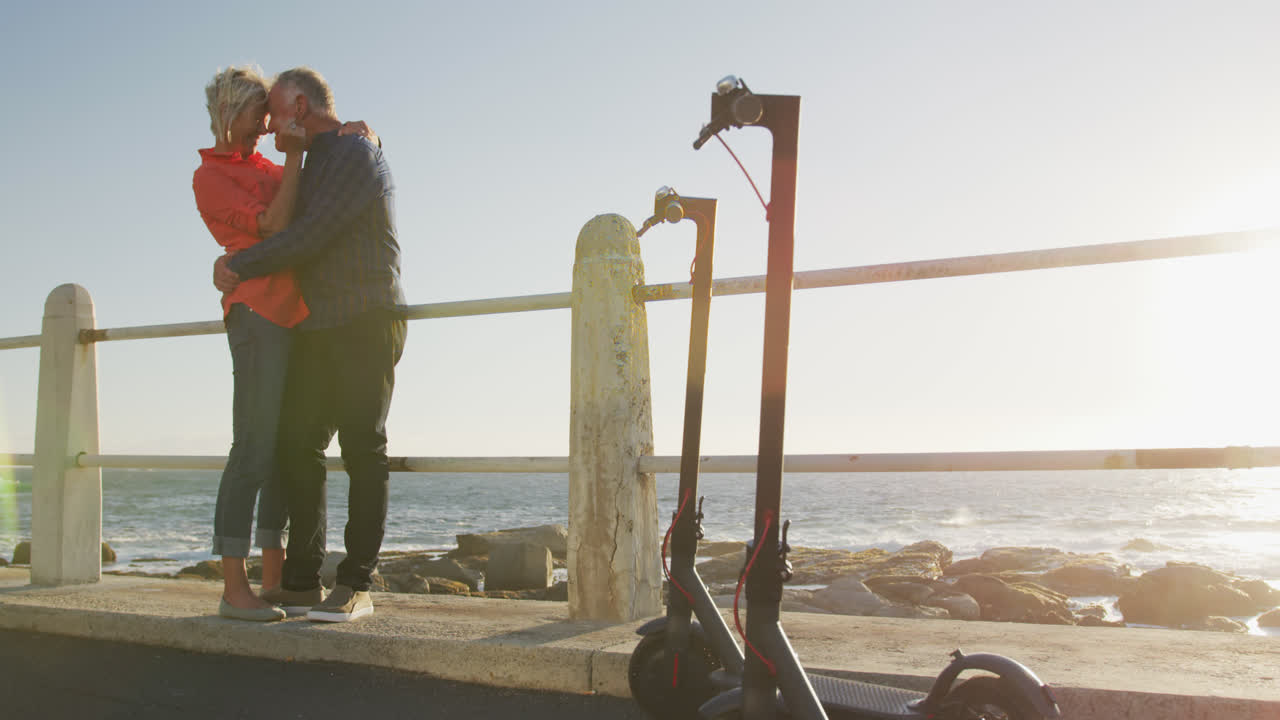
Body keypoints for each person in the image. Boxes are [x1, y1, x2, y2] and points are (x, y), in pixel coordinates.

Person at [214, 66, 407, 623]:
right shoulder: (314, 157)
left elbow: (309, 235)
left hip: (367, 318)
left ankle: (356, 585)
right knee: (298, 444)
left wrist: (237, 266)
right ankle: (300, 582)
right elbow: (271, 221)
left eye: (274, 109)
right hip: (318, 326)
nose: (269, 122)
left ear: (299, 105)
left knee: (363, 448)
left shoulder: (352, 155)